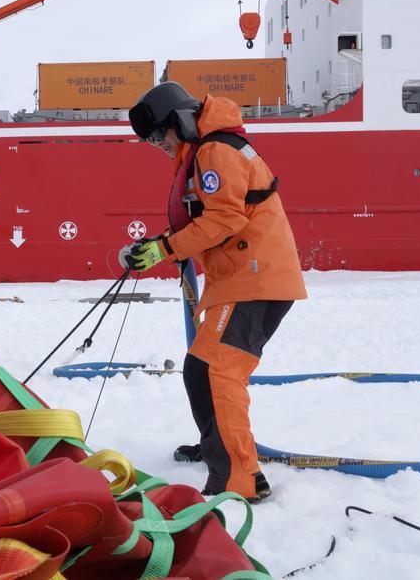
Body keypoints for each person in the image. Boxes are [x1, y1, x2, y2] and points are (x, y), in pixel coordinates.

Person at [121, 82, 307, 503]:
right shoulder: (204, 151)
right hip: (236, 281)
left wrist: (165, 248)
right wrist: (159, 245)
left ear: (180, 122)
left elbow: (224, 219)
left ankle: (239, 481)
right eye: (150, 141)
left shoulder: (216, 150)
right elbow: (202, 220)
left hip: (255, 280)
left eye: (158, 136)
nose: (158, 146)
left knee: (220, 374)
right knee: (198, 370)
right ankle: (218, 452)